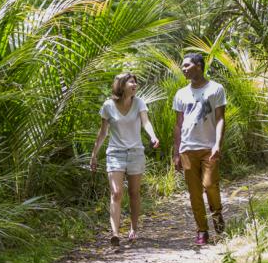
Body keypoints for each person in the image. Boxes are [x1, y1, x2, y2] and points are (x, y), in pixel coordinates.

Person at [90, 72, 160, 248]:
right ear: (121, 85)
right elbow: (103, 132)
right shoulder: (108, 105)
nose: (135, 85)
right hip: (115, 153)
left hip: (136, 152)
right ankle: (114, 233)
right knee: (116, 192)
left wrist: (153, 136)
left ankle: (134, 228)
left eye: (136, 82)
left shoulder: (139, 102)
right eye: (131, 82)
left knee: (134, 193)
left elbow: (146, 122)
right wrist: (94, 155)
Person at [172, 53, 227, 246]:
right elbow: (178, 124)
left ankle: (217, 216)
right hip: (187, 148)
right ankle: (202, 230)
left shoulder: (216, 89)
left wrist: (218, 144)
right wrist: (176, 153)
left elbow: (220, 118)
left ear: (198, 66)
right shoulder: (181, 93)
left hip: (209, 147)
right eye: (183, 66)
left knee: (210, 185)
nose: (184, 69)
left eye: (187, 65)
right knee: (194, 193)